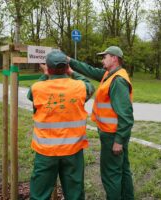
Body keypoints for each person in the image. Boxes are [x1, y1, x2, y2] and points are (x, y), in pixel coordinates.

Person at [67, 46, 134, 200]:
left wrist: (119, 140)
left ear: (114, 59)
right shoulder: (109, 75)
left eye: (105, 57)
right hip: (113, 133)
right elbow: (89, 70)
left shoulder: (117, 81)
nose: (102, 60)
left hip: (113, 135)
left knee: (110, 174)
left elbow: (126, 115)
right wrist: (70, 64)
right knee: (122, 169)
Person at [27, 50, 95, 200]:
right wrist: (72, 72)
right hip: (73, 151)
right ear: (66, 67)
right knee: (75, 194)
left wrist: (45, 75)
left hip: (46, 153)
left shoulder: (37, 88)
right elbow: (90, 87)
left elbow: (30, 95)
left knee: (39, 194)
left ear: (48, 68)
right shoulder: (80, 87)